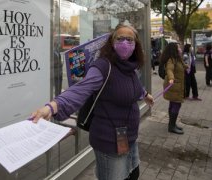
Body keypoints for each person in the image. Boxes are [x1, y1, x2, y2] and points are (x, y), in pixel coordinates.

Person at [31, 24, 154, 180]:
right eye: (120, 38)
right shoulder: (103, 66)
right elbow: (80, 89)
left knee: (133, 174)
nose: (124, 43)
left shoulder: (131, 67)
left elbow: (134, 87)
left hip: (129, 138)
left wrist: (145, 94)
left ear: (135, 44)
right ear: (112, 42)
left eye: (129, 39)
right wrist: (52, 107)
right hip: (108, 141)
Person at [160, 42, 187, 134]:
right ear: (174, 49)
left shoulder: (177, 59)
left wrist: (186, 67)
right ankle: (171, 126)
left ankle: (172, 124)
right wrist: (171, 78)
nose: (180, 49)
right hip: (174, 85)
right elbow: (169, 69)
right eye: (178, 47)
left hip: (176, 85)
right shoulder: (171, 59)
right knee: (176, 104)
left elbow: (181, 66)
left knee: (173, 104)